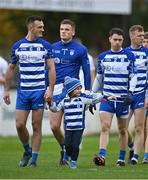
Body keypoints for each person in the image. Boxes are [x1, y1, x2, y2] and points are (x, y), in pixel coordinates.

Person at [3, 15, 55, 167]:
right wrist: (6, 90)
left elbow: (52, 68)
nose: (43, 30)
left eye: (43, 27)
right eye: (40, 27)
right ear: (31, 27)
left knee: (36, 125)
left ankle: (33, 160)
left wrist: (50, 90)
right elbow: (11, 69)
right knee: (19, 125)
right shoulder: (17, 46)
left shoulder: (45, 46)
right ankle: (27, 150)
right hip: (23, 92)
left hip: (39, 91)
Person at [92, 28, 137, 166]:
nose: (117, 42)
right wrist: (93, 96)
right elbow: (99, 78)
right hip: (107, 98)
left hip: (123, 99)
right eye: (115, 39)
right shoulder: (103, 56)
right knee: (105, 127)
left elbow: (133, 75)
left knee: (122, 130)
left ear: (123, 41)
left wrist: (131, 91)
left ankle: (121, 158)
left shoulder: (129, 56)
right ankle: (102, 157)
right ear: (110, 39)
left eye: (120, 40)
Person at [48, 19, 91, 165]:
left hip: (73, 90)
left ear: (73, 32)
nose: (63, 32)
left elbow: (86, 70)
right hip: (56, 90)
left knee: (70, 125)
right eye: (61, 29)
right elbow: (47, 70)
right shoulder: (52, 48)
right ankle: (65, 149)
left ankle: (69, 155)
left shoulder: (81, 49)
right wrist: (48, 88)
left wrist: (88, 90)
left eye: (67, 29)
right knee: (54, 126)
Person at [49, 76, 114, 169]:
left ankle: (73, 162)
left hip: (79, 128)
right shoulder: (64, 101)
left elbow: (94, 98)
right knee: (67, 145)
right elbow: (55, 109)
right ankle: (67, 155)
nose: (80, 90)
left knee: (76, 146)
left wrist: (107, 97)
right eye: (77, 89)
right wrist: (50, 103)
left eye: (80, 88)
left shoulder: (82, 99)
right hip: (68, 128)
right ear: (71, 90)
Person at [126, 25, 148, 165]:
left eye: (142, 36)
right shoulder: (125, 52)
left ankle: (136, 156)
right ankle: (131, 146)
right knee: (124, 128)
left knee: (140, 127)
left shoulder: (146, 53)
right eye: (139, 36)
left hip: (141, 94)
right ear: (132, 36)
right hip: (127, 96)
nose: (142, 38)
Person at [142, 32, 148, 163]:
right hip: (140, 95)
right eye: (144, 42)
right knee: (141, 128)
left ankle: (146, 155)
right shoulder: (140, 57)